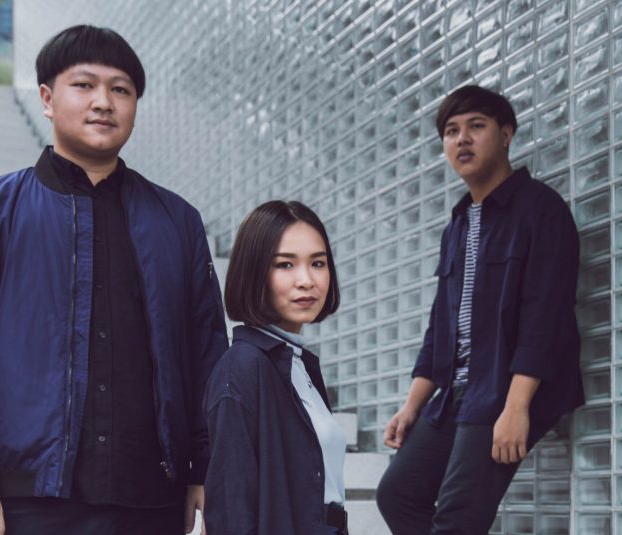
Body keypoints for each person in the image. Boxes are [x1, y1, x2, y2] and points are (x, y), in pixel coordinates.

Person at [0, 25, 228, 535]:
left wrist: (206, 465)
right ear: (46, 98)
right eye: (84, 85)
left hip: (151, 500)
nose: (103, 102)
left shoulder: (178, 222)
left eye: (120, 89)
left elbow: (207, 351)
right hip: (29, 500)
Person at [375, 85, 584, 534]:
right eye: (451, 131)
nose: (462, 139)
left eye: (476, 126)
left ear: (506, 134)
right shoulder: (458, 224)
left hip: (509, 387)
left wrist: (517, 406)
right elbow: (441, 326)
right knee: (398, 493)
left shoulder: (541, 210)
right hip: (459, 392)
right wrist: (412, 406)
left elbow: (545, 317)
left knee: (457, 520)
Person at [204, 201, 348, 535]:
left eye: (318, 263)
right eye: (285, 264)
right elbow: (231, 512)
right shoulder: (243, 368)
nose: (306, 280)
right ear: (254, 272)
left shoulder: (298, 364)